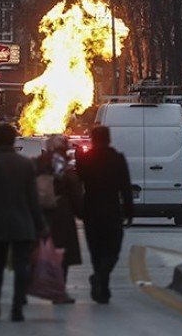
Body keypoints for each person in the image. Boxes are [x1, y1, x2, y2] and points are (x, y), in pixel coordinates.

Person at [0, 123, 47, 322]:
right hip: (22, 223)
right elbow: (33, 198)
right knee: (21, 266)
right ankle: (17, 308)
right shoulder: (26, 165)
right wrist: (40, 224)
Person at [76, 125, 133, 304]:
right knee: (112, 250)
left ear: (93, 139)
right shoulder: (117, 159)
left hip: (91, 210)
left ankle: (100, 280)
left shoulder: (86, 159)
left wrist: (78, 210)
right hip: (111, 210)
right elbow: (126, 187)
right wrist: (129, 211)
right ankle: (102, 282)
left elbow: (79, 181)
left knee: (96, 251)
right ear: (108, 139)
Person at [35, 135, 84, 304]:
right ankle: (59, 290)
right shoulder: (64, 166)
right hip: (61, 214)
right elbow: (74, 191)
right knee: (63, 255)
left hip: (41, 215)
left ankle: (26, 290)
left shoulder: (38, 163)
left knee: (39, 253)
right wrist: (81, 213)